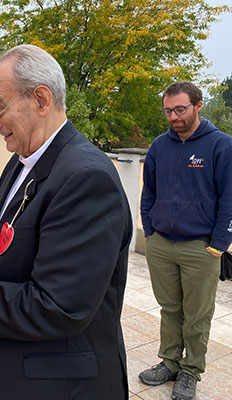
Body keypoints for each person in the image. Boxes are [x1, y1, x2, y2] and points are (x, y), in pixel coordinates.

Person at [0, 44, 132, 399]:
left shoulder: (86, 178)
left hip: (62, 386)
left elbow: (58, 306)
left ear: (41, 100)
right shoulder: (22, 160)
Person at [139, 81, 232, 400]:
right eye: (168, 110)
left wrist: (219, 243)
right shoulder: (158, 146)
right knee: (170, 309)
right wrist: (149, 230)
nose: (173, 116)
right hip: (161, 243)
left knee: (197, 313)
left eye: (180, 109)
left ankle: (190, 370)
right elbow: (148, 191)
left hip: (201, 246)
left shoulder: (221, 146)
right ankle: (169, 361)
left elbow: (229, 199)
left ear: (197, 106)